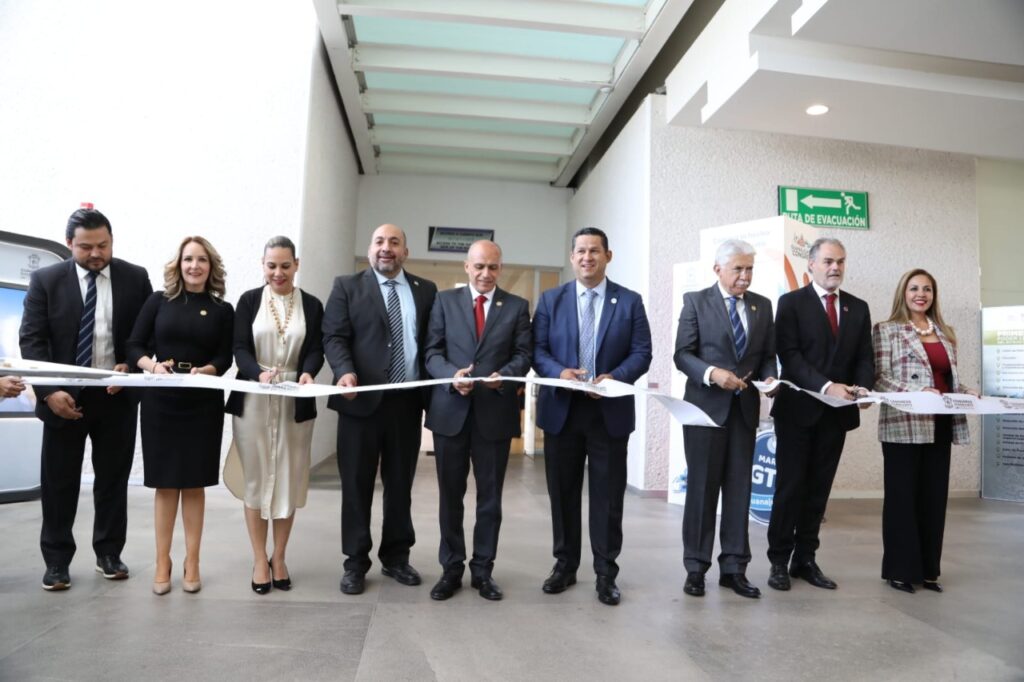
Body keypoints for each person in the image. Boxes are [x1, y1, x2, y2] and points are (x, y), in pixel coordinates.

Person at [19, 206, 152, 591]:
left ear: (111, 241)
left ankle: (109, 554)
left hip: (115, 396)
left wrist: (132, 366)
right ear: (69, 244)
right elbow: (32, 340)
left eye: (103, 245)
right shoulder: (46, 281)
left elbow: (145, 335)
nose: (96, 254)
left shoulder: (135, 278)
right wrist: (49, 392)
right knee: (59, 483)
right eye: (86, 247)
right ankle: (56, 562)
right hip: (62, 397)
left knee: (112, 480)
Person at [533, 226, 652, 606]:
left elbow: (642, 352)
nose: (587, 257)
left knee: (608, 498)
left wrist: (615, 377)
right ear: (572, 258)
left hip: (608, 413)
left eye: (595, 251)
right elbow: (537, 350)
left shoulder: (629, 301)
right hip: (562, 412)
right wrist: (560, 373)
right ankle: (564, 566)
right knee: (562, 495)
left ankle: (606, 573)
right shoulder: (551, 300)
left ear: (608, 256)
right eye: (581, 251)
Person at [322, 223, 437, 595]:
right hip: (359, 401)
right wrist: (345, 371)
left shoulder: (426, 290)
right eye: (379, 241)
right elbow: (334, 336)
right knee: (356, 486)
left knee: (400, 485)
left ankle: (397, 557)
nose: (386, 248)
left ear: (405, 251)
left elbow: (430, 342)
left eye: (394, 242)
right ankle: (355, 562)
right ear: (370, 249)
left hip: (407, 403)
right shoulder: (347, 286)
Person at [423, 240, 532, 602]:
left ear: (501, 268)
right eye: (480, 266)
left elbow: (523, 355)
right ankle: (451, 569)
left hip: (494, 415)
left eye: (493, 267)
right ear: (467, 267)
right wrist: (451, 376)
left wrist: (507, 376)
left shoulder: (516, 307)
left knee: (490, 499)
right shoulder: (444, 301)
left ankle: (483, 571)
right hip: (450, 414)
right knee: (450, 497)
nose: (486, 274)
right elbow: (432, 352)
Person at [127, 236, 234, 595]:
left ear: (211, 266)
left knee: (193, 483)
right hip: (161, 400)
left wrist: (207, 371)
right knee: (166, 483)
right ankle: (162, 561)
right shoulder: (158, 301)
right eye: (188, 259)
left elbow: (225, 357)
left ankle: (193, 561)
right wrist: (152, 366)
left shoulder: (222, 309)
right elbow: (134, 345)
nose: (194, 266)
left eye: (201, 259)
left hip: (201, 402)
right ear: (179, 264)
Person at [766, 237, 874, 591]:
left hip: (837, 415)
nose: (835, 267)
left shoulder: (858, 308)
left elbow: (864, 356)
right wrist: (828, 386)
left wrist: (863, 389)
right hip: (798, 412)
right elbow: (790, 356)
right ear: (811, 264)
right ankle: (778, 561)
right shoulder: (791, 303)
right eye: (828, 261)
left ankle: (805, 559)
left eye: (840, 261)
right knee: (790, 488)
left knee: (819, 490)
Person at [674, 239, 777, 599]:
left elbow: (766, 355)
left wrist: (770, 378)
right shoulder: (695, 302)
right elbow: (682, 354)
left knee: (739, 490)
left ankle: (734, 568)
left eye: (750, 269)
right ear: (718, 269)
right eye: (738, 269)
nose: (745, 276)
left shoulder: (762, 306)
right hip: (704, 410)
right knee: (702, 490)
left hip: (744, 412)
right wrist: (712, 373)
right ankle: (696, 568)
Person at [224, 236, 324, 594]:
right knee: (256, 480)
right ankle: (258, 559)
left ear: (296, 264)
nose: (278, 272)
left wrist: (308, 372)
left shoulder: (312, 304)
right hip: (254, 399)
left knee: (287, 480)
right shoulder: (249, 300)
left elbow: (316, 349)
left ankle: (279, 557)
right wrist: (258, 374)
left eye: (285, 265)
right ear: (262, 265)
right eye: (271, 266)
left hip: (294, 402)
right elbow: (239, 348)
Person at [872, 269, 975, 594]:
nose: (921, 294)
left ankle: (929, 571)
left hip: (941, 423)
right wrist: (916, 393)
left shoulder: (945, 332)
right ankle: (900, 571)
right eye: (914, 288)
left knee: (933, 499)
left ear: (933, 295)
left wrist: (967, 393)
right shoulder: (887, 330)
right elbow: (880, 378)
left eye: (927, 289)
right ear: (903, 293)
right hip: (904, 424)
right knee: (902, 499)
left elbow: (947, 379)